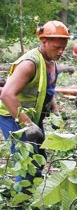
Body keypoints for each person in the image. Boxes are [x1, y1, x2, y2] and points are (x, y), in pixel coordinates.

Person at [0, 20, 71, 184]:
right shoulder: (29, 64)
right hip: (13, 115)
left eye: (63, 48)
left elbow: (47, 89)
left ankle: (35, 195)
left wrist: (55, 110)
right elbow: (6, 95)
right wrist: (27, 124)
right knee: (27, 162)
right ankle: (22, 204)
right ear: (44, 41)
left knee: (40, 157)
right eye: (56, 48)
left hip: (33, 115)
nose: (60, 52)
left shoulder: (51, 61)